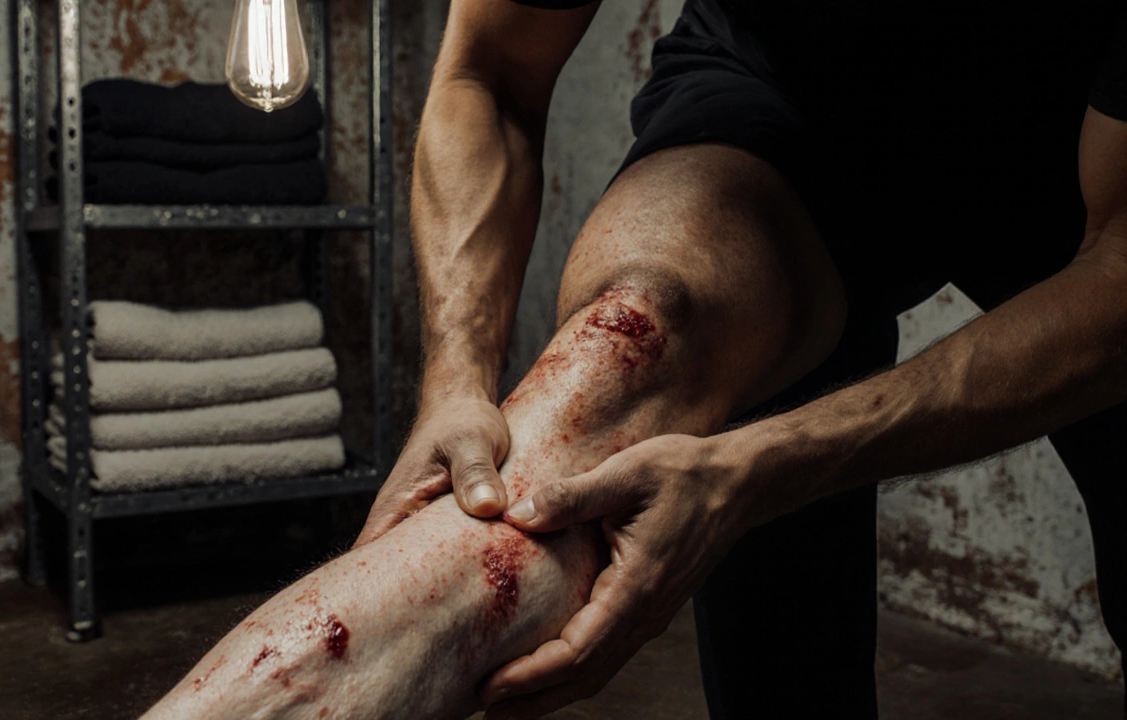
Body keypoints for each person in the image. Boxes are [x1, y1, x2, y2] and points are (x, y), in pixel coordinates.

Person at [143, 1, 1126, 718]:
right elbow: (488, 73)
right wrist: (453, 379)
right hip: (786, 95)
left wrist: (757, 468)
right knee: (624, 351)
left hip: (1074, 128)